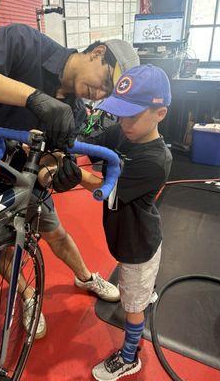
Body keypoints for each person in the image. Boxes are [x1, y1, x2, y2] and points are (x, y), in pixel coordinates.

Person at [0, 23, 140, 339]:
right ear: (98, 53)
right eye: (103, 83)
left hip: (25, 181)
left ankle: (85, 277)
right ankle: (28, 295)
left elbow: (47, 167)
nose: (98, 94)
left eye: (105, 95)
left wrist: (62, 171)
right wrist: (32, 97)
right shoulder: (24, 43)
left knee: (56, 232)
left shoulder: (77, 113)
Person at [55, 64, 173, 379]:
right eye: (120, 114)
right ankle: (145, 290)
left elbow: (107, 186)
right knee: (135, 288)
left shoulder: (156, 161)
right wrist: (61, 142)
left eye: (132, 116)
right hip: (125, 236)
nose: (123, 123)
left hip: (139, 246)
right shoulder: (124, 129)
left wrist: (77, 174)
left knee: (132, 308)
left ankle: (129, 355)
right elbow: (92, 143)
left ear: (159, 113)